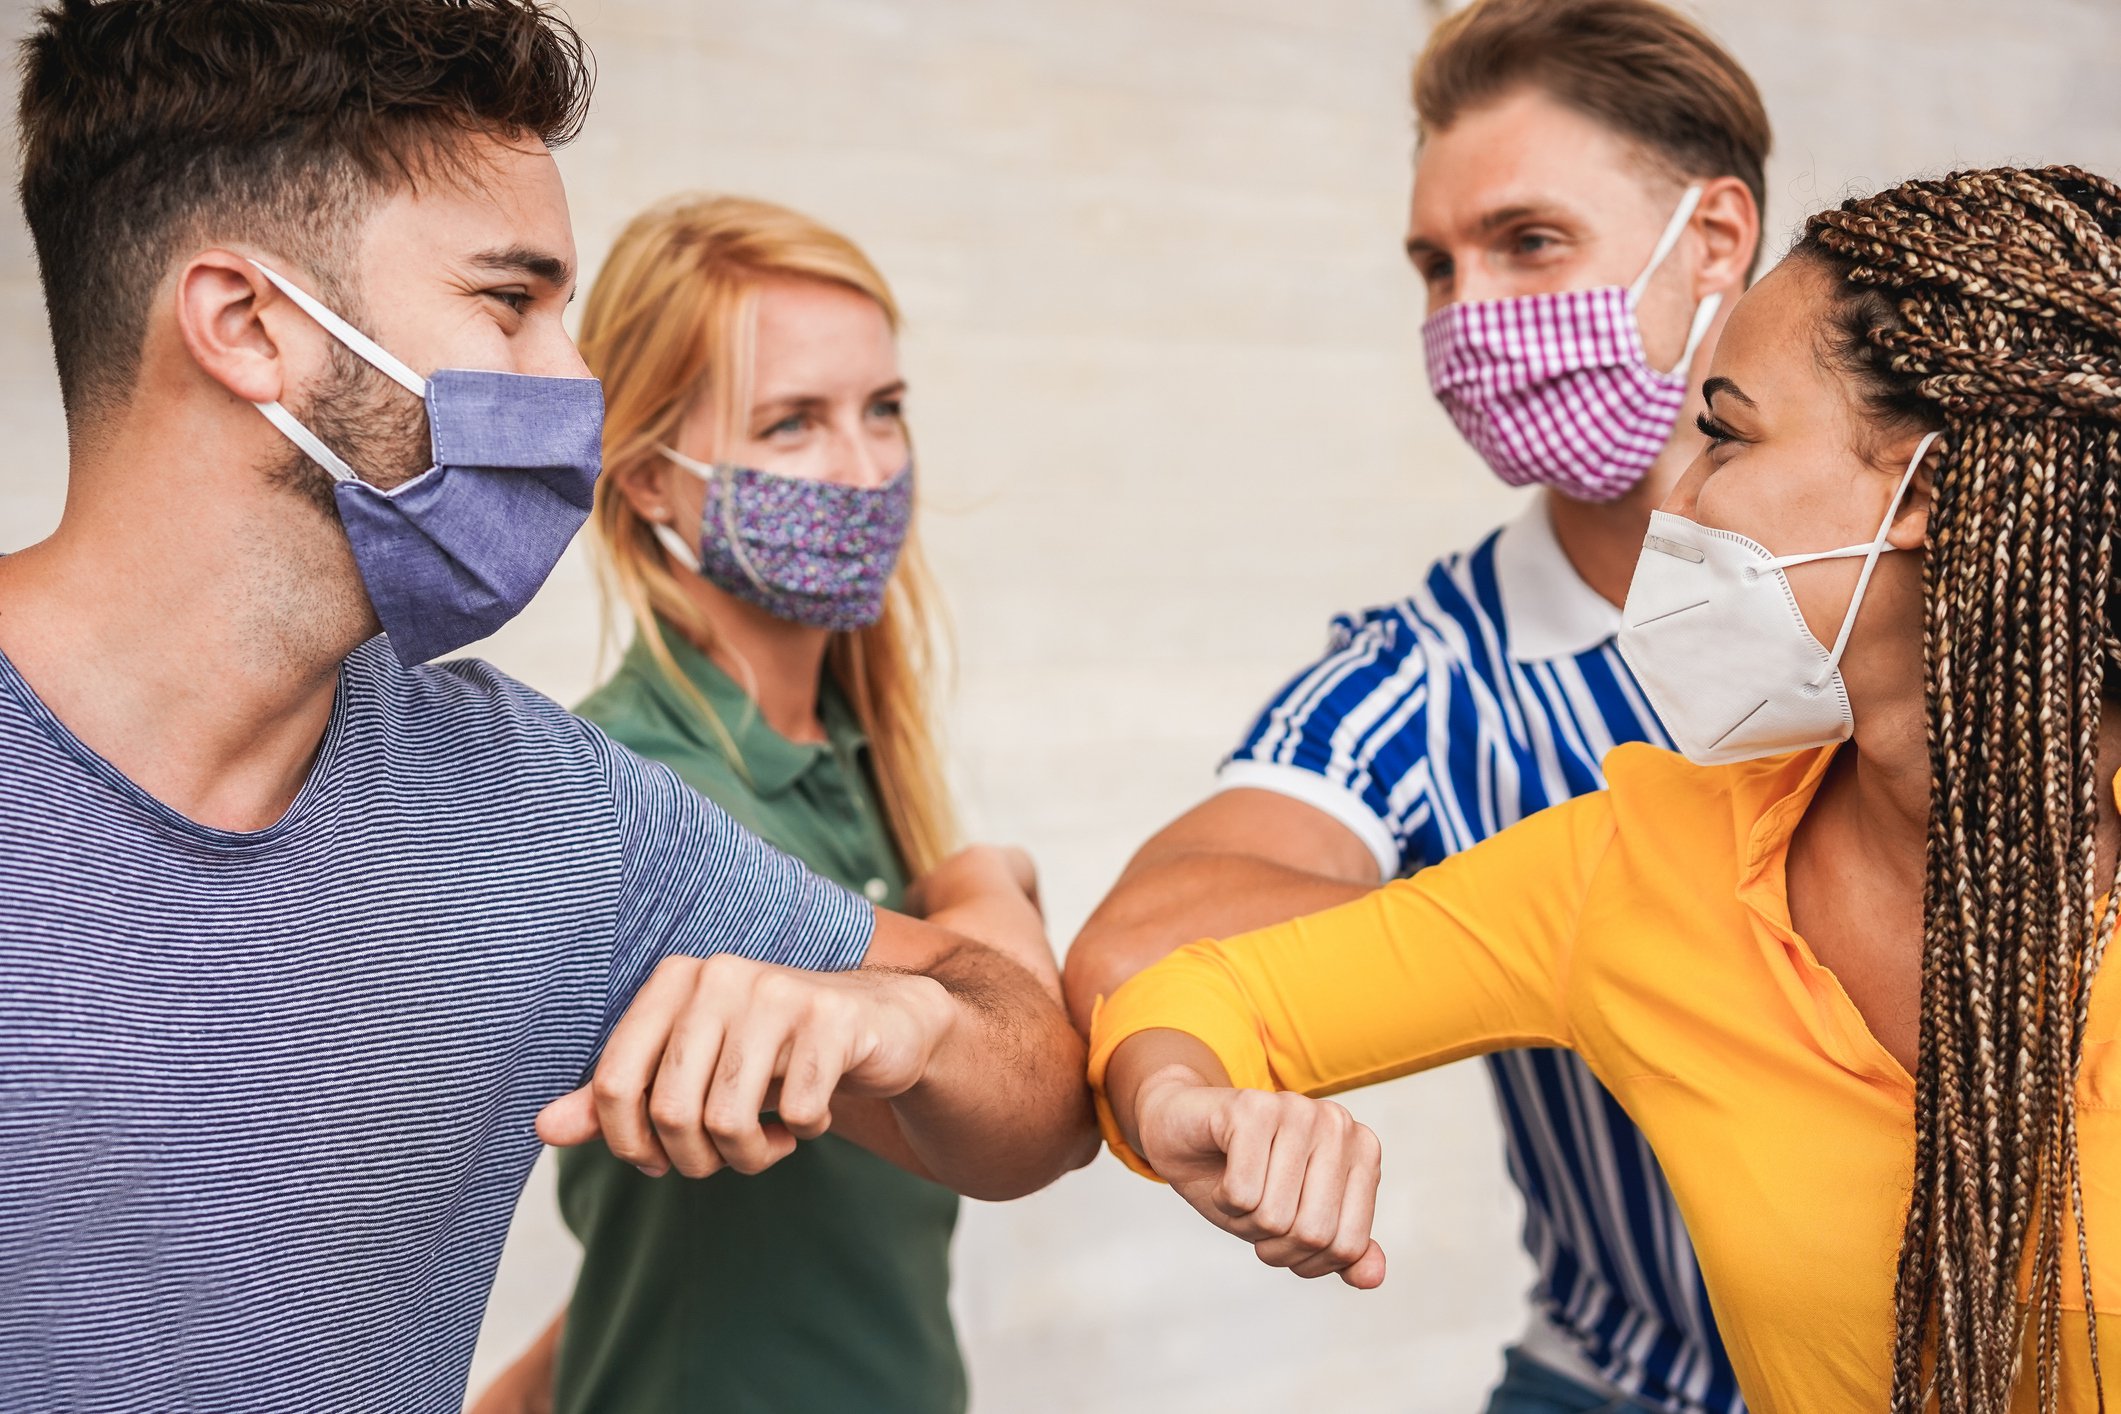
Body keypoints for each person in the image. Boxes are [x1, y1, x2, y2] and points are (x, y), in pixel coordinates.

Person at [0, 4, 1092, 1410]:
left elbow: (1032, 1092)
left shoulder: (550, 811)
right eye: (510, 302)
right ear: (248, 325)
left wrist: (910, 1024)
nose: (577, 384)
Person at [1091, 164, 2121, 1414]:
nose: (1679, 502)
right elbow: (1193, 989)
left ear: (1928, 492)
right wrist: (1187, 1104)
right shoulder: (1646, 866)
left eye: (1726, 435)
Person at [1064, 1, 1764, 1408]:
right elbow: (1139, 939)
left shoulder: (1935, 571)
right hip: (1624, 1381)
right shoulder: (1433, 670)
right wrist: (1576, 917)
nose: (1469, 318)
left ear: (1714, 240)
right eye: (1436, 268)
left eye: (1529, 241)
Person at [469, 194, 1005, 1414]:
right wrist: (985, 885)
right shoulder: (645, 792)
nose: (866, 469)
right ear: (652, 482)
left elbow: (713, 1242)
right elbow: (1027, 1110)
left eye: (884, 409)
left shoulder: (853, 751)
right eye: (792, 424)